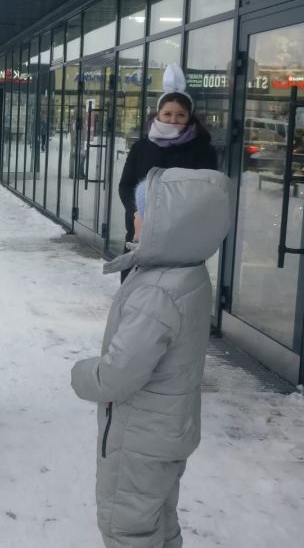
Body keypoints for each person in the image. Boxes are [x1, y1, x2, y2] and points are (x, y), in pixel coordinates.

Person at [71, 167, 232, 548]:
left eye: (143, 211)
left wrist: (83, 374)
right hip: (167, 431)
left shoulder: (158, 291)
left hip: (139, 437)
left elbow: (118, 373)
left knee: (127, 529)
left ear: (170, 224)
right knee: (157, 519)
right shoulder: (187, 273)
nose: (134, 217)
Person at [118, 63, 217, 280]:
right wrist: (136, 212)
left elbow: (207, 192)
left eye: (180, 115)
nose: (173, 120)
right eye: (168, 114)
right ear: (158, 115)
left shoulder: (203, 150)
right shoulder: (141, 148)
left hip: (182, 240)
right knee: (134, 294)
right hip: (140, 235)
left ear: (189, 116)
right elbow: (126, 185)